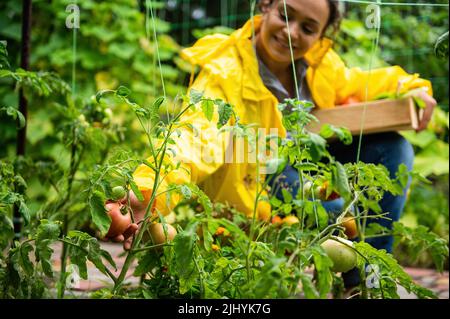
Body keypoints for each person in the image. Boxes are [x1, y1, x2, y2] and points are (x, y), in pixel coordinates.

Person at [104, 0, 436, 288]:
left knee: (395, 148)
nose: (291, 33)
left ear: (321, 37)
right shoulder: (226, 72)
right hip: (260, 185)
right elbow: (195, 138)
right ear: (266, 6)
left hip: (309, 175)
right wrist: (149, 189)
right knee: (328, 208)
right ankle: (344, 255)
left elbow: (360, 81)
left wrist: (410, 87)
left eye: (308, 27)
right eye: (285, 15)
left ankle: (371, 269)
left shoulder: (320, 66)